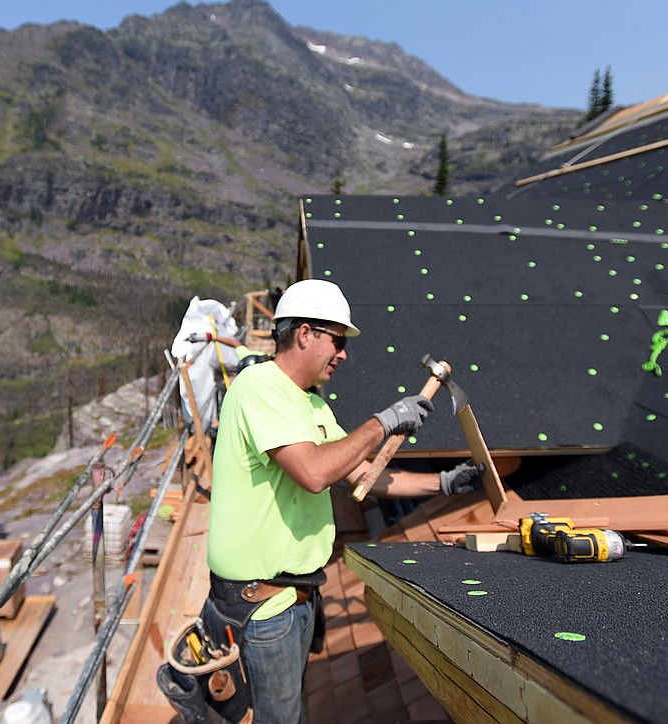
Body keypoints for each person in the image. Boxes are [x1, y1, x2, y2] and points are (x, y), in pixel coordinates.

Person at [203, 279, 483, 723]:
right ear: (305, 334)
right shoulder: (259, 389)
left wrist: (445, 484)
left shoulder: (312, 406)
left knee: (294, 713)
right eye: (337, 339)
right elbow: (315, 473)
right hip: (260, 608)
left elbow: (364, 475)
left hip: (297, 597)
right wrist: (385, 421)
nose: (344, 353)